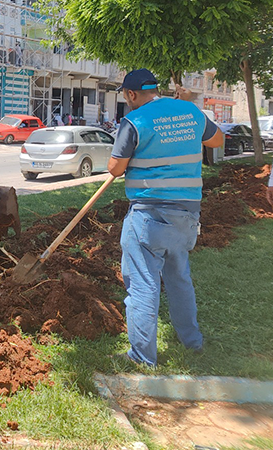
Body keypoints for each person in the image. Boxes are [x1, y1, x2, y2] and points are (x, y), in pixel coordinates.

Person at [107, 68, 224, 367]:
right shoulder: (190, 111)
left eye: (126, 97)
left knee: (143, 283)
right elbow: (217, 140)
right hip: (187, 215)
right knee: (179, 278)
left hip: (150, 214)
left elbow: (115, 168)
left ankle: (142, 357)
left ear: (131, 94)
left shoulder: (134, 121)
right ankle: (192, 342)